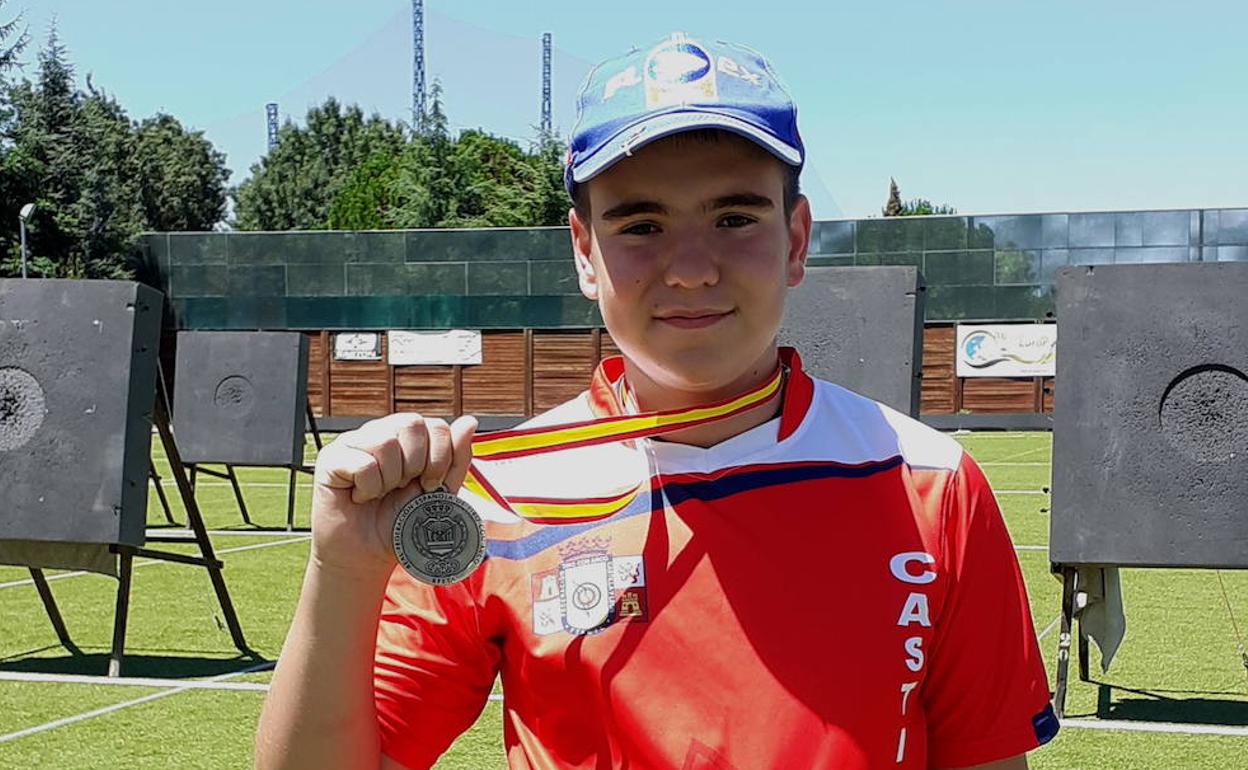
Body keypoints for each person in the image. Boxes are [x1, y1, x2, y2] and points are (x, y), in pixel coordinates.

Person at [255, 32, 1059, 770]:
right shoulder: (496, 501)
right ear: (584, 253)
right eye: (641, 226)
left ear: (797, 240)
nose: (691, 269)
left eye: (735, 216)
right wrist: (342, 571)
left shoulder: (931, 483)